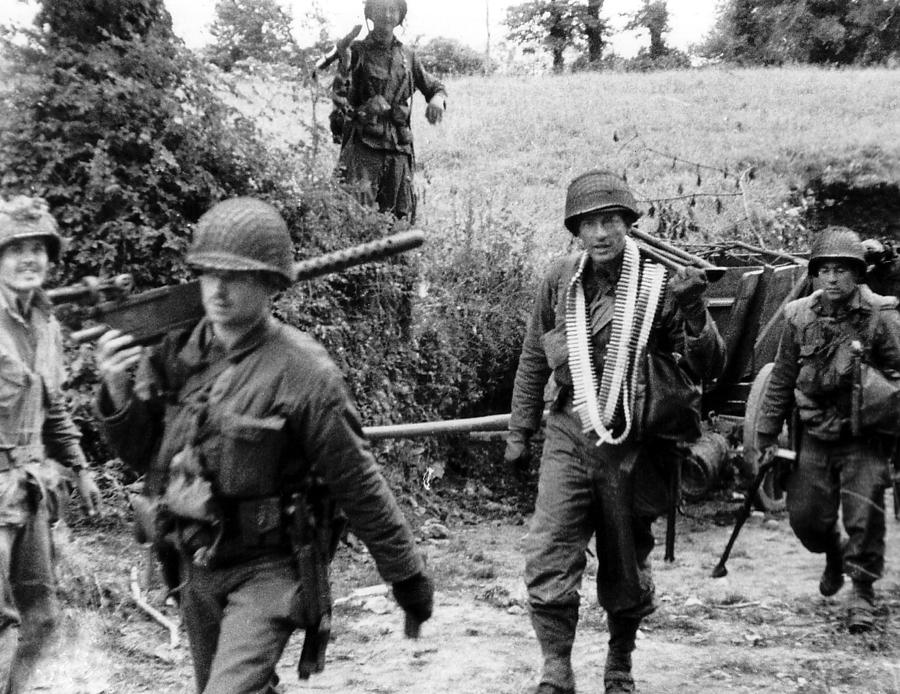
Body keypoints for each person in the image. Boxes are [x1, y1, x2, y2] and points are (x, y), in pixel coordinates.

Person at [93, 197, 433, 693]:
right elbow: (142, 455)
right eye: (209, 273)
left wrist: (407, 578)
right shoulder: (177, 352)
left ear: (272, 284)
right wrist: (116, 387)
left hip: (270, 567)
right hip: (196, 560)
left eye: (239, 277)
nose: (219, 289)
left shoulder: (305, 374)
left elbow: (358, 483)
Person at [505, 170, 725, 694]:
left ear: (628, 224)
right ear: (575, 231)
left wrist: (695, 309)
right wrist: (520, 430)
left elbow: (708, 366)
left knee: (626, 560)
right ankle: (556, 666)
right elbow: (535, 357)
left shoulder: (658, 283)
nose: (601, 233)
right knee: (549, 552)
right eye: (589, 224)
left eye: (611, 221)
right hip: (569, 433)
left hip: (633, 443)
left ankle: (620, 661)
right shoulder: (559, 279)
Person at [756, 226, 900, 634]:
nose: (833, 278)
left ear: (857, 274)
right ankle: (833, 553)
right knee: (806, 519)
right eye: (825, 270)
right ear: (814, 275)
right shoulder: (798, 317)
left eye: (842, 270)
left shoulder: (881, 315)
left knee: (864, 514)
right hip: (813, 432)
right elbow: (782, 378)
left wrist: (874, 392)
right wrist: (766, 436)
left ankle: (862, 591)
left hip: (863, 434)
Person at [0, 195, 102, 693]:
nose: (29, 258)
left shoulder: (46, 325)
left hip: (29, 486)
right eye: (16, 247)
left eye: (38, 247)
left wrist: (80, 467)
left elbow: (53, 404)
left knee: (41, 619)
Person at [331, 0, 447, 221]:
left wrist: (437, 100)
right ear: (370, 14)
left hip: (399, 150)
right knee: (353, 218)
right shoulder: (356, 51)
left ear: (400, 15)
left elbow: (435, 88)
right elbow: (339, 106)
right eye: (381, 8)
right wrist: (363, 107)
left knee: (399, 222)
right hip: (364, 149)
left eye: (393, 9)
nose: (387, 15)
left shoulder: (408, 56)